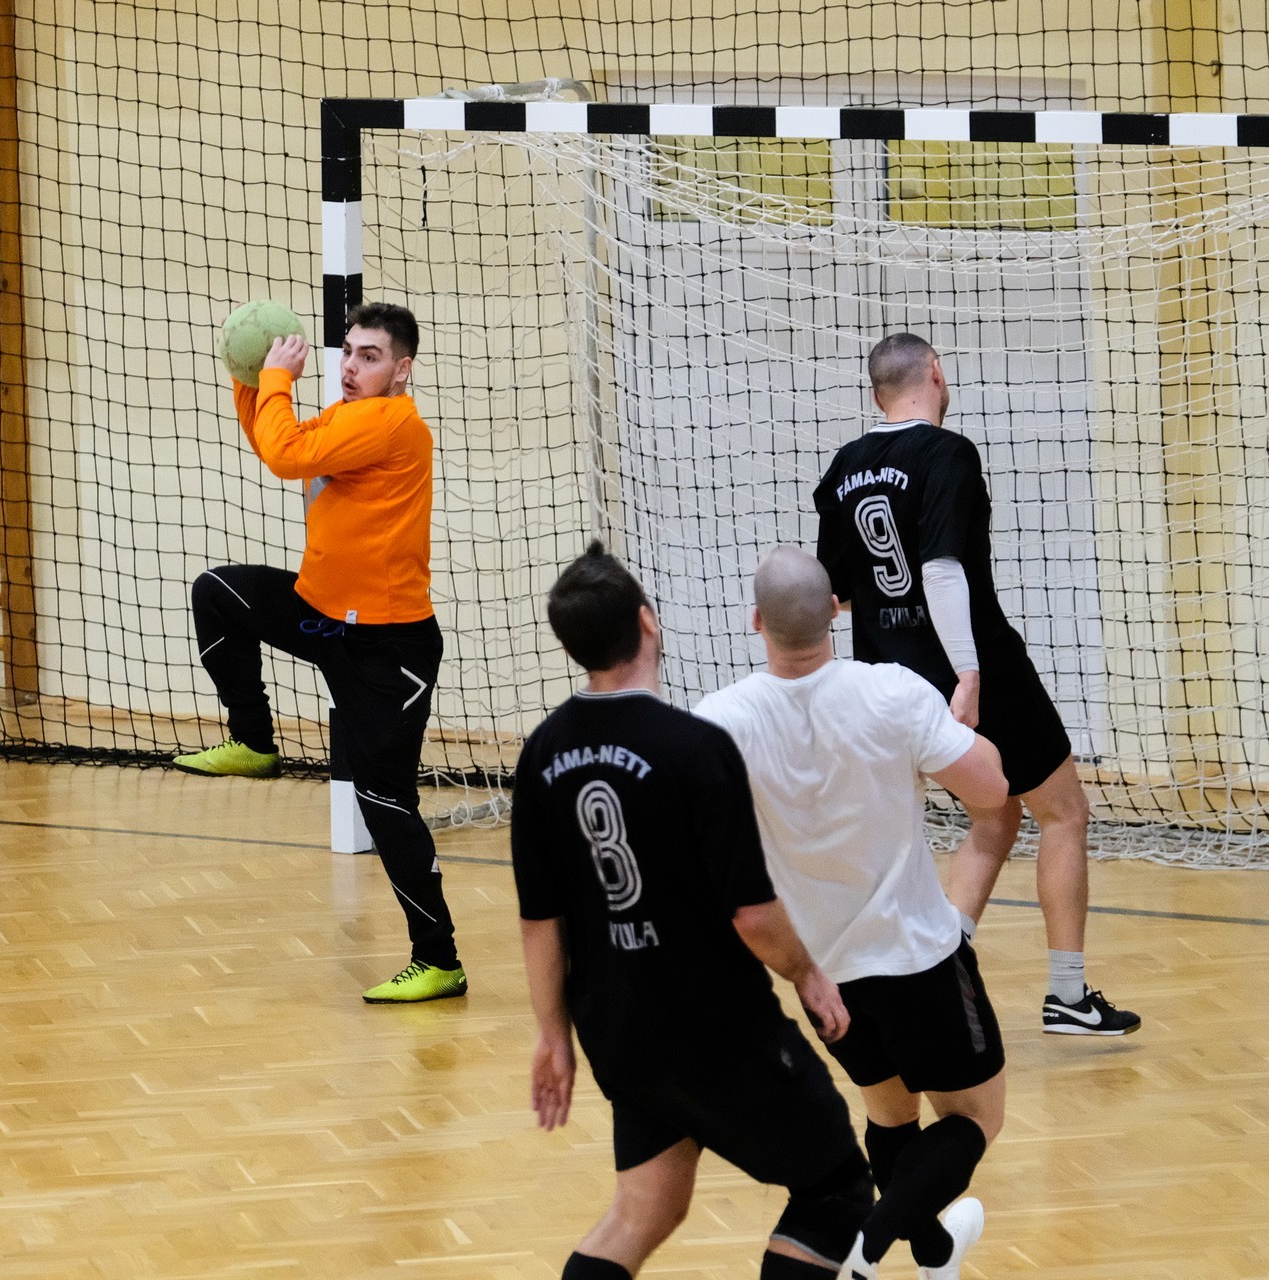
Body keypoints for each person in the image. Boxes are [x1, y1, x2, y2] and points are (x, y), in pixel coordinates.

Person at [512, 542, 875, 1280]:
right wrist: (808, 974)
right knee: (837, 1191)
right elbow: (752, 915)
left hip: (617, 1029)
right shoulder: (694, 748)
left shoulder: (541, 754)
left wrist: (553, 1034)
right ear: (648, 622)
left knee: (646, 1209)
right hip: (715, 1028)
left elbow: (539, 920)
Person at [696, 546, 1013, 1280]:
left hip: (823, 974)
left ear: (756, 622)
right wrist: (963, 732)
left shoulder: (720, 722)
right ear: (837, 611)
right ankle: (865, 1252)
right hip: (917, 958)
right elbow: (992, 791)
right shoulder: (892, 692)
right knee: (975, 1120)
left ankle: (934, 1256)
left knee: (891, 1114)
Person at [812, 332, 1140, 1037]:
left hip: (889, 679)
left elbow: (835, 593)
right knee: (1064, 813)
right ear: (936, 372)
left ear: (876, 392)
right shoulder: (947, 453)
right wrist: (968, 671)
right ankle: (1067, 995)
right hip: (975, 672)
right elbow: (941, 569)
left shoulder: (844, 468)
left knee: (995, 816)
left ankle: (945, 961)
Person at [171, 302, 464, 1004]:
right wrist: (251, 379)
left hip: (388, 648)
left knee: (383, 801)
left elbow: (286, 457)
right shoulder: (347, 416)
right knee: (219, 594)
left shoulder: (390, 421)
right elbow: (279, 441)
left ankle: (438, 960)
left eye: (370, 356)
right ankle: (254, 740)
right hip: (324, 618)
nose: (352, 366)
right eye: (349, 352)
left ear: (402, 369)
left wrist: (275, 380)